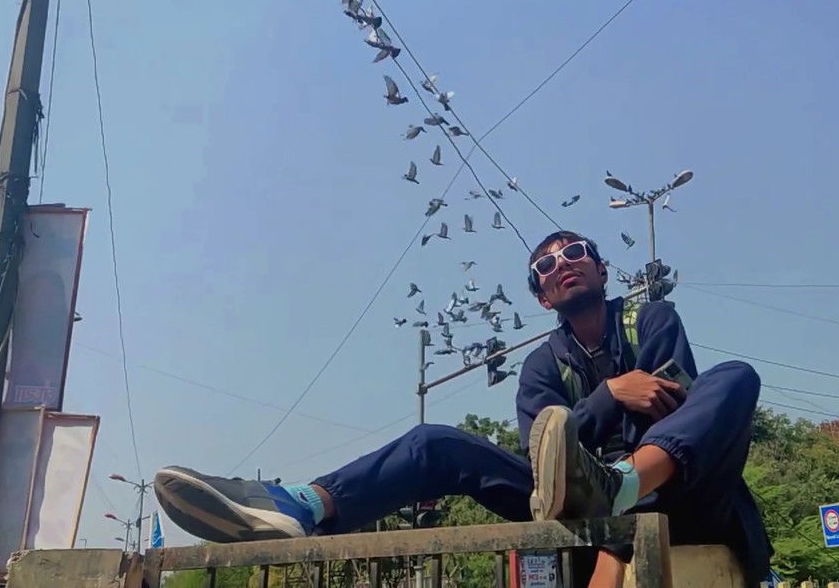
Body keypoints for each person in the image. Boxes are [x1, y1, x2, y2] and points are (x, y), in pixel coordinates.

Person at [153, 231, 771, 587]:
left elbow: (675, 417)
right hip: (579, 500)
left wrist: (616, 523)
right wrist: (609, 396)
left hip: (684, 500)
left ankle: (621, 485)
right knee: (435, 443)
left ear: (602, 269)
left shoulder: (650, 318)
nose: (563, 264)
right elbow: (547, 459)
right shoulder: (541, 366)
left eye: (576, 252)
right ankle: (302, 505)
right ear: (542, 295)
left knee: (735, 378)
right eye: (546, 264)